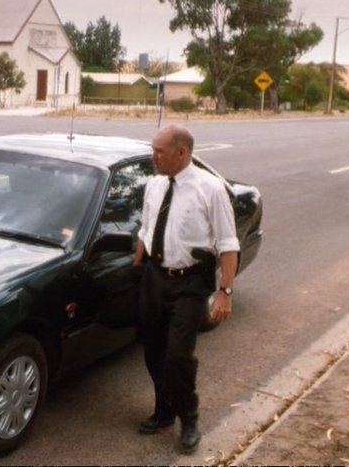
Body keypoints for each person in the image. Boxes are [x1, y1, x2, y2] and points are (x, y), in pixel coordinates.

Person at [132, 124, 239, 454]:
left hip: (190, 283)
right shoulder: (155, 185)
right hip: (154, 277)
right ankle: (164, 410)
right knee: (152, 349)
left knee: (178, 356)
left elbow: (228, 244)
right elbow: (146, 230)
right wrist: (136, 270)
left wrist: (224, 292)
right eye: (153, 149)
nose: (153, 156)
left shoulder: (210, 189)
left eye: (159, 151)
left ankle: (189, 418)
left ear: (181, 153)